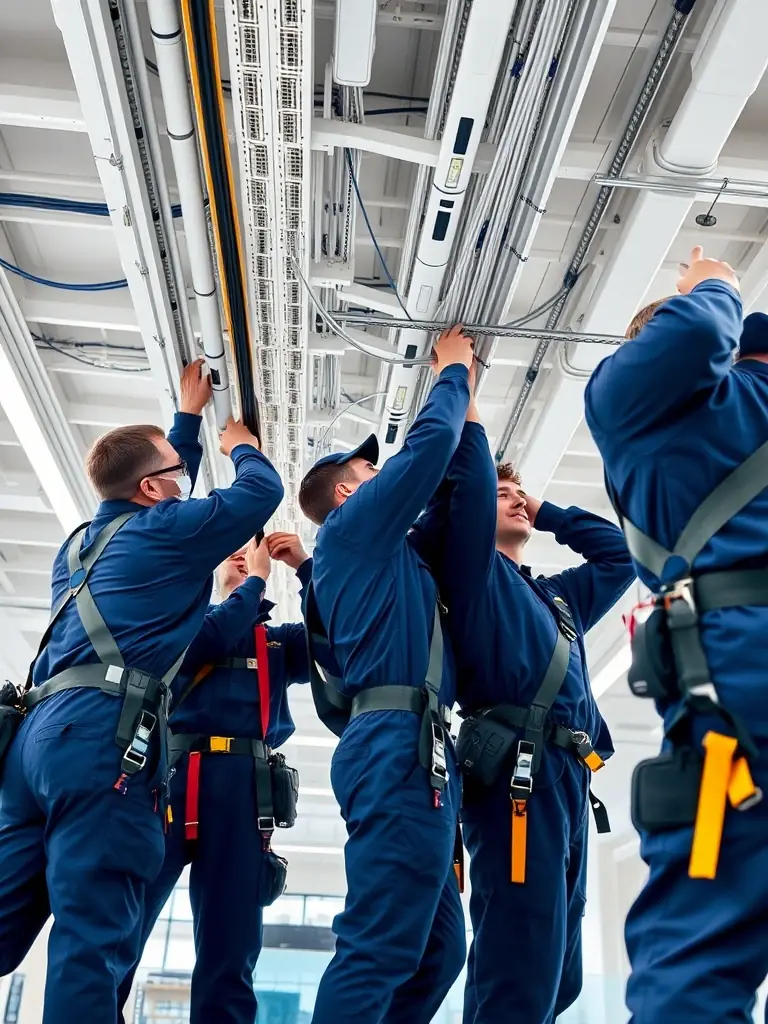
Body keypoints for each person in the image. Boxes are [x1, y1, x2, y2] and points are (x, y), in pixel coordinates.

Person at [0, 360, 284, 1024]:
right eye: (178, 482)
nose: (187, 492)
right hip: (100, 742)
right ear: (154, 489)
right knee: (92, 938)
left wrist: (185, 418)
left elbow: (158, 487)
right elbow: (260, 489)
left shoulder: (79, 546)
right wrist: (237, 439)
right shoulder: (166, 530)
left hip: (33, 743)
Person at [412, 370, 634, 1024]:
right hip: (516, 774)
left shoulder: (556, 597)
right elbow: (473, 496)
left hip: (567, 777)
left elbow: (618, 558)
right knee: (520, 955)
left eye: (519, 493)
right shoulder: (472, 576)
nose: (511, 499)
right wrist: (467, 402)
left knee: (558, 970)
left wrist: (546, 511)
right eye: (501, 493)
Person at [584, 246, 768, 1022]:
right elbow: (695, 340)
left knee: (698, 941)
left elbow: (705, 340)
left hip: (736, 674)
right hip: (736, 668)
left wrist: (714, 285)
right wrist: (713, 294)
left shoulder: (686, 416)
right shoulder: (637, 400)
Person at [297, 326, 473, 1024]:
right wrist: (453, 373)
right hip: (398, 743)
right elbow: (427, 451)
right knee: (380, 945)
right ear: (348, 491)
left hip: (407, 741)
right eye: (368, 473)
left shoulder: (371, 557)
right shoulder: (352, 528)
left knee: (437, 953)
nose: (379, 477)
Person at [117, 531, 312, 1024]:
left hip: (247, 792)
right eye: (233, 551)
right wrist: (258, 585)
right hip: (172, 780)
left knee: (233, 944)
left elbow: (340, 638)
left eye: (253, 549)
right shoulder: (181, 625)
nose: (246, 558)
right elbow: (213, 638)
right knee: (124, 922)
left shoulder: (277, 641)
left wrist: (309, 569)